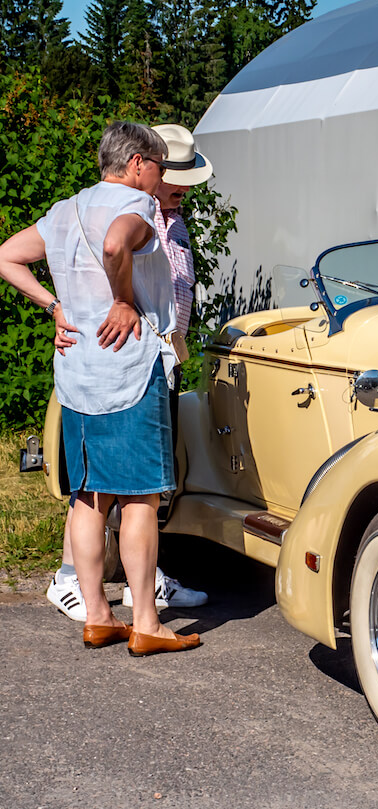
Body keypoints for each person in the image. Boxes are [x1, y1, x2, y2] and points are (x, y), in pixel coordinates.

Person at [0, 120, 200, 655]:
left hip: (78, 372)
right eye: (158, 166)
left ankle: (96, 616)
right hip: (131, 369)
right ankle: (146, 623)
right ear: (137, 163)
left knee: (88, 497)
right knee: (139, 500)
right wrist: (123, 298)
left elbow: (6, 256)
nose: (161, 179)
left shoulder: (65, 210)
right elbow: (116, 244)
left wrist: (54, 306)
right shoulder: (136, 208)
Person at [44, 124, 213, 621]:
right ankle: (97, 591)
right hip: (127, 359)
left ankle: (130, 592)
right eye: (172, 175)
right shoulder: (131, 209)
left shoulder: (168, 220)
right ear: (144, 167)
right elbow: (108, 260)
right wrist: (94, 305)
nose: (180, 188)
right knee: (129, 488)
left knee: (112, 485)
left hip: (154, 354)